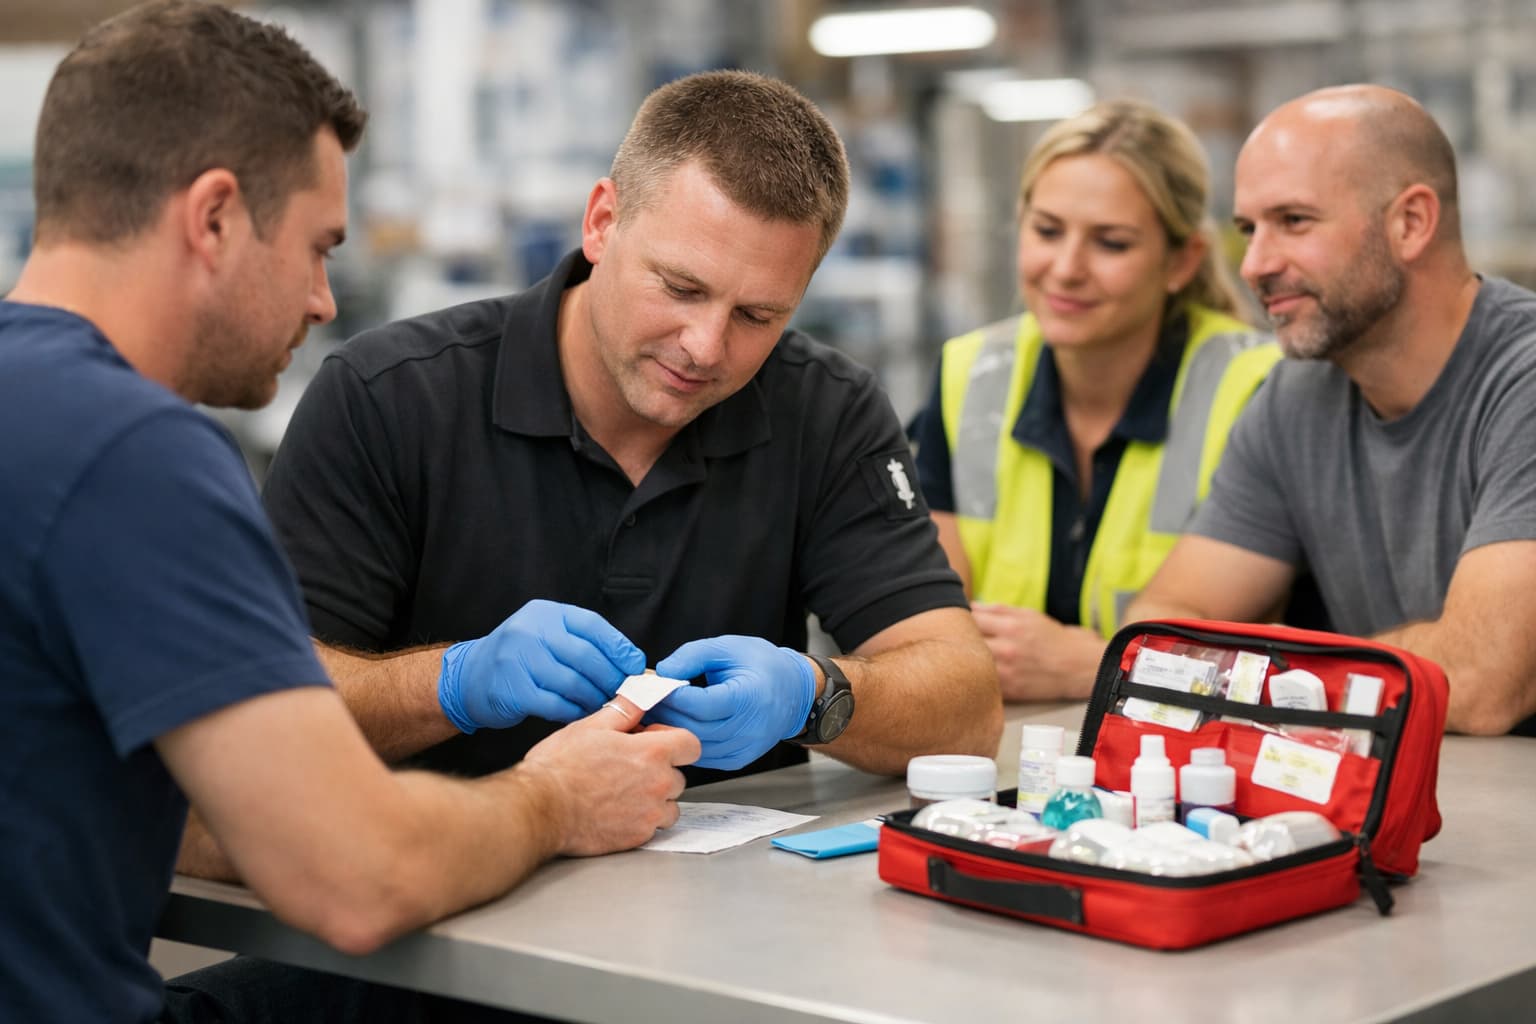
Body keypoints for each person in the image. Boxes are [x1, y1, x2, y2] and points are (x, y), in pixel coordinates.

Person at [0, 4, 699, 1022]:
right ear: (214, 217)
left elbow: (159, 807)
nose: (326, 300)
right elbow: (357, 880)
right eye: (318, 246)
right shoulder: (132, 452)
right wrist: (557, 798)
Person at [259, 70, 1003, 784]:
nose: (705, 347)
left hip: (738, 898)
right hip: (448, 878)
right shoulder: (389, 398)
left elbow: (967, 704)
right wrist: (454, 684)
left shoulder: (826, 410)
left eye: (757, 316)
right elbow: (266, 710)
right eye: (680, 287)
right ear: (602, 223)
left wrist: (816, 697)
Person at [1126, 84, 1536, 737]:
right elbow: (1160, 633)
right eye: (1247, 229)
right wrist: (1307, 676)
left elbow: (1484, 682)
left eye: (1294, 221)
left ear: (1411, 223)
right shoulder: (1294, 400)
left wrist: (1287, 673)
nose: (1256, 264)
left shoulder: (1522, 380)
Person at [910, 98, 1280, 702]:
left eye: (1110, 243)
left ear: (1182, 261)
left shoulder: (1257, 389)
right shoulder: (970, 374)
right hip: (999, 752)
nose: (1066, 268)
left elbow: (1263, 656)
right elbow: (931, 630)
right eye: (1047, 231)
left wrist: (1095, 666)